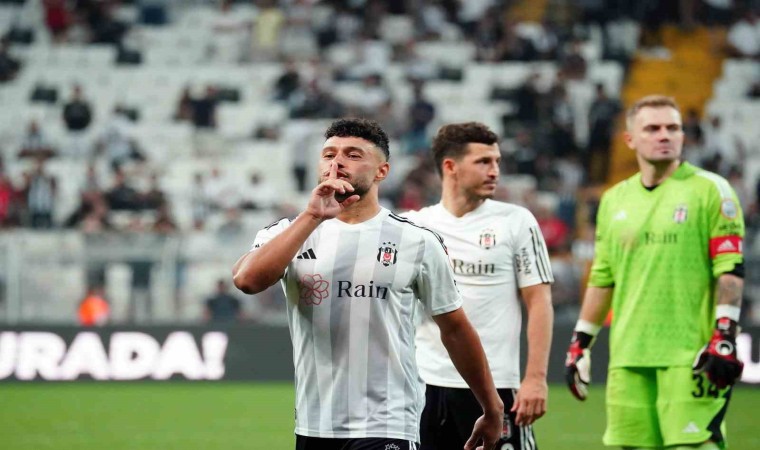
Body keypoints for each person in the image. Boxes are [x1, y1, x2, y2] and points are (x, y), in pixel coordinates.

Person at [232, 118, 503, 450]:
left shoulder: (417, 241)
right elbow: (247, 281)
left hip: (388, 422)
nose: (337, 162)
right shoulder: (288, 232)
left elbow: (456, 329)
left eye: (353, 154)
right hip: (314, 424)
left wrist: (491, 406)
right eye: (329, 154)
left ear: (381, 171)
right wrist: (312, 216)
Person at [564, 95, 745, 449]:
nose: (664, 135)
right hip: (628, 356)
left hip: (690, 356)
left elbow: (730, 269)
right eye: (652, 128)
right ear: (630, 139)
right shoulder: (614, 200)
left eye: (673, 128)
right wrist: (579, 344)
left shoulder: (711, 190)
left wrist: (725, 335)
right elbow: (603, 278)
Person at [401, 122, 554, 450]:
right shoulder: (416, 226)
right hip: (425, 386)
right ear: (450, 166)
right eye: (483, 161)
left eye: (497, 161)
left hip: (497, 385)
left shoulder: (516, 222)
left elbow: (539, 300)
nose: (495, 170)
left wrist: (535, 378)